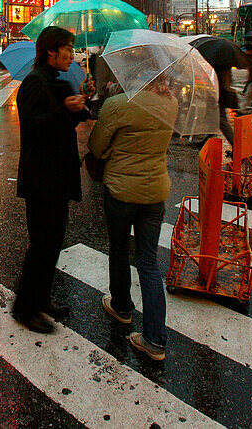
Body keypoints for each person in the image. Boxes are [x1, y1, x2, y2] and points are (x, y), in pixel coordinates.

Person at [88, 87, 176, 361]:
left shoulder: (118, 104)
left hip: (121, 190)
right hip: (155, 192)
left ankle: (122, 307)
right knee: (148, 262)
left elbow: (96, 147)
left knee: (119, 249)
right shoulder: (170, 102)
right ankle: (155, 339)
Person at [13, 26, 91, 334]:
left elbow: (65, 122)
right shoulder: (34, 83)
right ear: (51, 51)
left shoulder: (54, 82)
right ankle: (24, 309)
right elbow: (34, 127)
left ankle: (40, 298)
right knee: (42, 244)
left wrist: (81, 106)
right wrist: (64, 110)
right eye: (68, 50)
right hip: (42, 178)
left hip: (56, 176)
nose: (72, 56)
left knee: (53, 242)